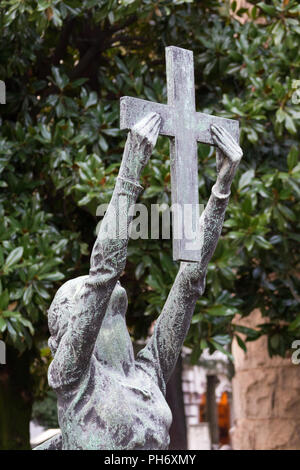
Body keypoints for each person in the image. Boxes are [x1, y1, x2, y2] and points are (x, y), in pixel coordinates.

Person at [36, 112, 243, 450]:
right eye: (98, 307)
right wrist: (129, 172)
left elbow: (190, 280)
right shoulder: (72, 376)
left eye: (115, 306)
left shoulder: (149, 373)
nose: (111, 309)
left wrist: (221, 189)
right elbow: (103, 274)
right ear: (73, 324)